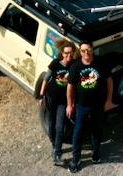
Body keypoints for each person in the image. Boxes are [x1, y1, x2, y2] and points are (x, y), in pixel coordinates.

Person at [65, 42, 112, 172]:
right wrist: (69, 105)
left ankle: (96, 155)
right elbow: (70, 87)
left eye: (89, 50)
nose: (87, 53)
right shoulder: (75, 67)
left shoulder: (100, 63)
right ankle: (76, 159)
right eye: (84, 50)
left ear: (93, 50)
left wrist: (108, 100)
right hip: (81, 106)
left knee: (96, 131)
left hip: (98, 104)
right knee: (78, 132)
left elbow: (109, 81)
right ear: (80, 52)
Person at [38, 38, 75, 166]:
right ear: (62, 53)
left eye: (71, 53)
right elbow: (46, 79)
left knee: (60, 127)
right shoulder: (55, 63)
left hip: (63, 101)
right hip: (51, 97)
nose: (69, 56)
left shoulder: (74, 65)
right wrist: (41, 95)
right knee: (51, 122)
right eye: (66, 53)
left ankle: (57, 153)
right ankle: (54, 144)